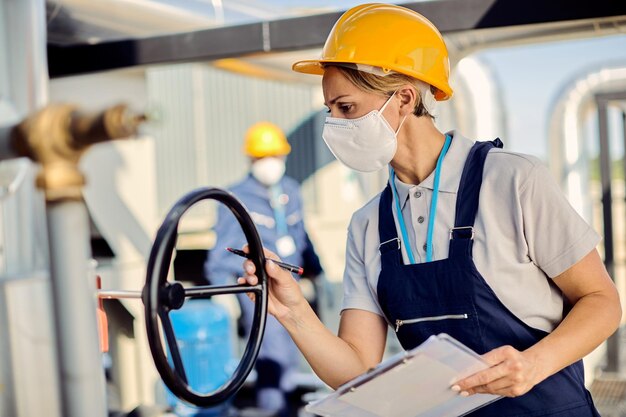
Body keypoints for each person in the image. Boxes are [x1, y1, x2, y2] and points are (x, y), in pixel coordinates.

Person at [237, 4, 622, 416]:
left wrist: (532, 365)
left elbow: (602, 301)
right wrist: (293, 310)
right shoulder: (368, 225)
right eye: (329, 110)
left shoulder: (513, 181)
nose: (333, 125)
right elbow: (356, 368)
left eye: (345, 108)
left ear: (403, 98)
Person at [205, 121, 323, 417]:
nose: (270, 164)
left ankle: (286, 409)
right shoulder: (235, 197)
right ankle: (276, 412)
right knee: (272, 356)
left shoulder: (291, 191)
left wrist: (316, 273)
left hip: (292, 287)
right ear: (251, 160)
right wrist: (222, 287)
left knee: (295, 353)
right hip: (260, 291)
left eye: (275, 156)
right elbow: (223, 251)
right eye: (262, 157)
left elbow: (302, 237)